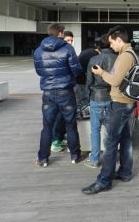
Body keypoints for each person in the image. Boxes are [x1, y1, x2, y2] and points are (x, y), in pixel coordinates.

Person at [81, 26, 137, 195]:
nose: (111, 46)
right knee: (125, 139)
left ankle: (104, 181)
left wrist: (102, 73)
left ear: (119, 39)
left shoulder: (125, 57)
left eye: (112, 42)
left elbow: (115, 80)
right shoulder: (132, 54)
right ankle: (125, 172)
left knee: (110, 143)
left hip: (119, 103)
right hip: (127, 102)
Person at [33, 23, 83, 167]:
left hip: (47, 92)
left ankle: (43, 158)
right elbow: (77, 70)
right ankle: (75, 155)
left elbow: (39, 71)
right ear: (60, 33)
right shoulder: (68, 48)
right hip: (65, 92)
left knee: (47, 126)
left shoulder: (38, 51)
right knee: (71, 124)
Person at [84, 34, 117, 168]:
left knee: (95, 129)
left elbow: (89, 81)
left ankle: (94, 159)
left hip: (96, 97)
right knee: (111, 130)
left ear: (98, 47)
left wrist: (86, 96)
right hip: (112, 97)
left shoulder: (93, 59)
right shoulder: (117, 59)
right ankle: (110, 158)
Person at [50, 31, 76, 152]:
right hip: (60, 89)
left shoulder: (68, 51)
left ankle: (61, 136)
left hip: (64, 88)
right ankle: (55, 140)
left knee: (65, 115)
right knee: (58, 115)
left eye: (71, 40)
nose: (70, 42)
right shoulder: (63, 52)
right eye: (67, 40)